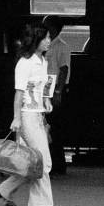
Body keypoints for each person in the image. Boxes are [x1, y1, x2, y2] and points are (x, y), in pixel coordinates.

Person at [0, 22, 55, 206]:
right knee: (42, 163)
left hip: (38, 116)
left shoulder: (42, 61)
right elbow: (19, 94)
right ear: (35, 40)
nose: (49, 41)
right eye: (45, 38)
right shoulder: (25, 63)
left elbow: (41, 89)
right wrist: (16, 119)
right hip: (27, 116)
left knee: (30, 163)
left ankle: (3, 190)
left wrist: (46, 103)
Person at [42, 15, 72, 177]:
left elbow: (64, 69)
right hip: (44, 89)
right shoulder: (44, 44)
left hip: (54, 90)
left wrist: (58, 92)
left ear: (53, 28)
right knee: (47, 126)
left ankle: (57, 165)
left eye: (45, 26)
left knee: (53, 127)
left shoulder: (62, 46)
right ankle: (51, 164)